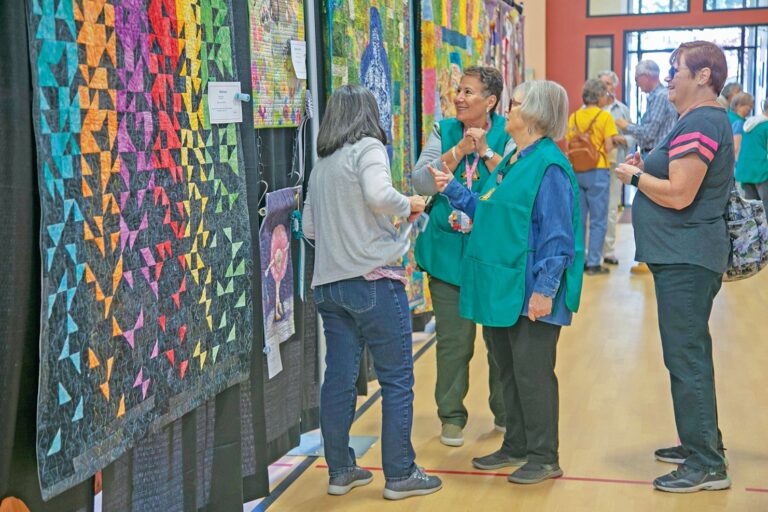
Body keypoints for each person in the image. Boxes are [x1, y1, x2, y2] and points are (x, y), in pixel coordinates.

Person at [429, 80, 584, 485]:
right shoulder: (517, 157)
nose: (508, 112)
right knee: (509, 371)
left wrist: (545, 290)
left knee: (533, 374)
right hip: (506, 287)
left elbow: (557, 236)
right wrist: (454, 189)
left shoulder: (548, 166)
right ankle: (516, 444)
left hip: (530, 290)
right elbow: (492, 210)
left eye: (514, 105)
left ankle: (543, 455)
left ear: (534, 115)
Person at [303, 84, 442, 500]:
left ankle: (340, 469)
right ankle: (400, 474)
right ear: (369, 113)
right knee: (397, 379)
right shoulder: (368, 148)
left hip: (328, 286)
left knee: (339, 379)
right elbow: (380, 196)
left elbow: (310, 229)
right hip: (373, 281)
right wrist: (411, 203)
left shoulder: (322, 164)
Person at [616, 41, 732, 493]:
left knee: (686, 358)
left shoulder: (703, 120)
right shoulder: (698, 120)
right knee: (689, 355)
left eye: (675, 69)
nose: (668, 78)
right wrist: (647, 168)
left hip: (688, 256)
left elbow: (681, 194)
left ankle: (706, 464)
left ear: (703, 76)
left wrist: (636, 178)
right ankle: (702, 442)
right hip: (683, 255)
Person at [412, 66, 515, 447]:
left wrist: (486, 152)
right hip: (447, 255)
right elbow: (420, 182)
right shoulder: (444, 131)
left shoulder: (509, 131)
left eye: (468, 92)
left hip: (491, 256)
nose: (458, 97)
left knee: (499, 341)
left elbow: (512, 184)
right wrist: (457, 153)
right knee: (455, 342)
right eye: (458, 90)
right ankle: (451, 416)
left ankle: (505, 413)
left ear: (490, 101)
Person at [615, 60, 678, 274]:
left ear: (648, 76)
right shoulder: (658, 97)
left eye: (637, 77)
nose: (635, 82)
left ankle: (649, 258)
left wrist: (627, 127)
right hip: (655, 156)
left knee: (648, 209)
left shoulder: (660, 98)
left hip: (657, 157)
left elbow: (649, 133)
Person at [566, 79, 618, 275]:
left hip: (577, 171)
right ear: (599, 96)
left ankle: (579, 260)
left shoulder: (574, 117)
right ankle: (594, 262)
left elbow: (570, 143)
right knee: (598, 219)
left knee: (578, 218)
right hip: (598, 170)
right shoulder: (604, 117)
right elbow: (608, 145)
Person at [598, 70, 634, 266]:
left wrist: (618, 139)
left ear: (614, 86)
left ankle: (608, 251)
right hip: (593, 165)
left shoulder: (622, 110)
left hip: (614, 163)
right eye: (602, 84)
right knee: (593, 210)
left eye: (608, 84)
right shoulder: (591, 108)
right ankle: (592, 252)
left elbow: (632, 136)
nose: (605, 88)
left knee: (611, 208)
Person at [735, 97, 768, 212]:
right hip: (762, 171)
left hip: (745, 170)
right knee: (765, 208)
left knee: (752, 210)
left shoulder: (749, 123)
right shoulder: (766, 126)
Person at [729, 91, 754, 160]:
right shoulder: (739, 122)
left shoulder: (727, 115)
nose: (751, 109)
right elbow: (736, 148)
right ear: (739, 105)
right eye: (749, 106)